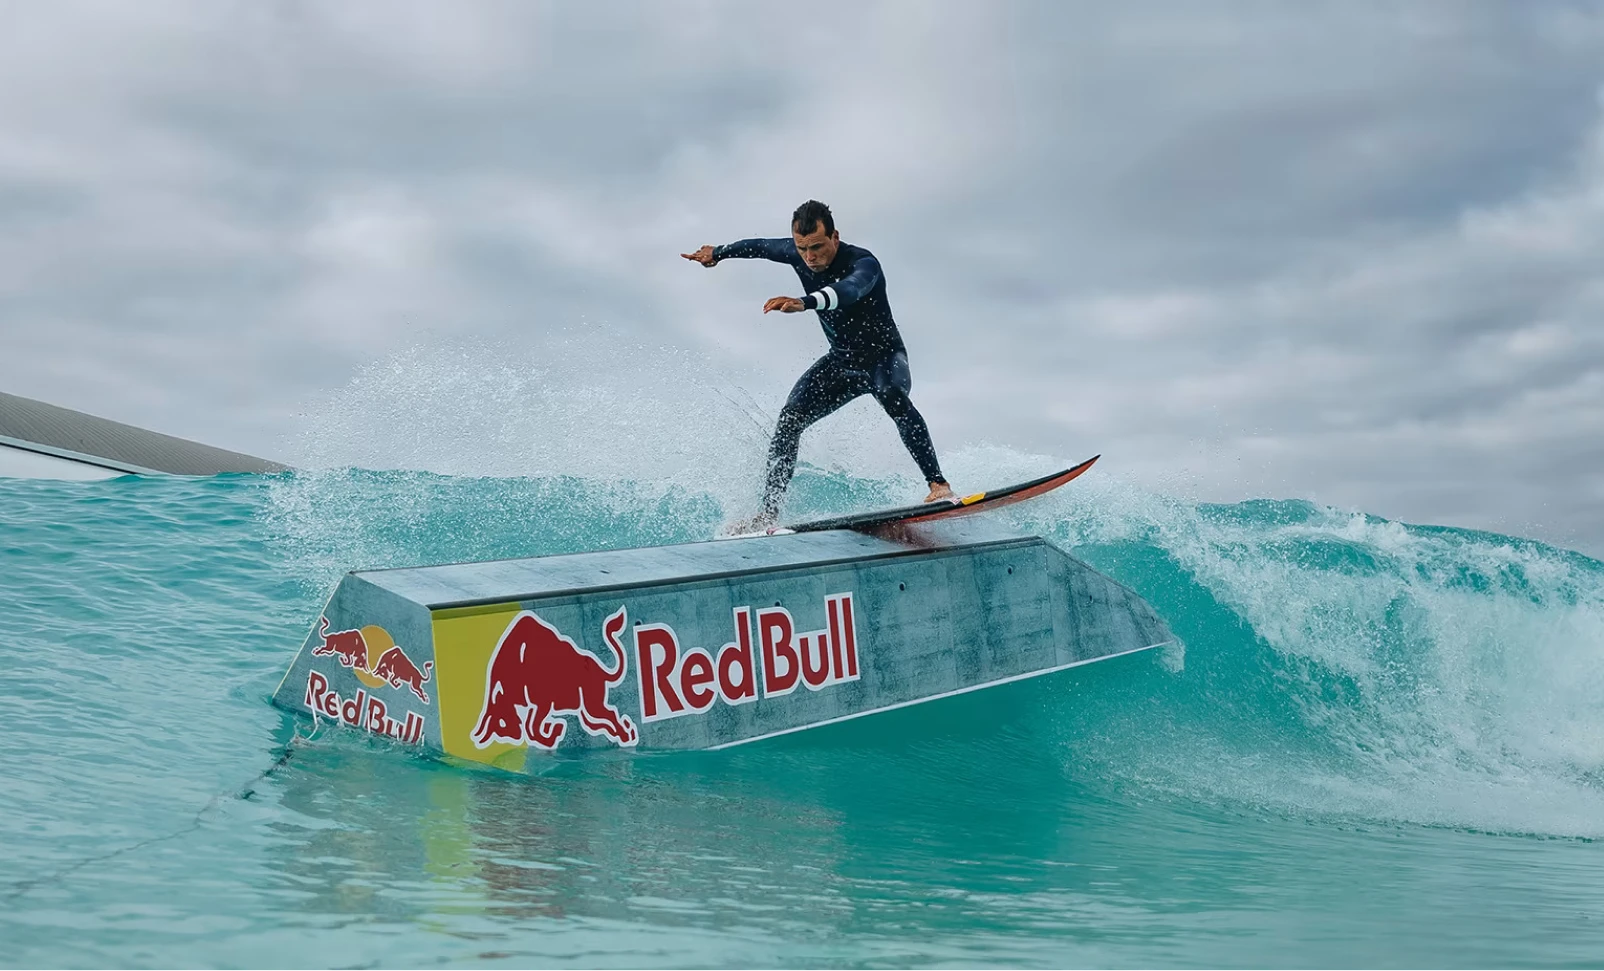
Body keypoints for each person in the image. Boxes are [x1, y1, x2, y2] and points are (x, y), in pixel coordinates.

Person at [683, 200, 954, 530]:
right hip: (841, 363)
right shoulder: (798, 253)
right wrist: (719, 252)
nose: (810, 257)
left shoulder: (864, 263)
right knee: (790, 419)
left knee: (892, 396)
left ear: (835, 237)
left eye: (817, 247)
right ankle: (768, 514)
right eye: (802, 248)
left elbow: (849, 291)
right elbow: (760, 247)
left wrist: (806, 302)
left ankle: (938, 486)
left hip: (884, 358)